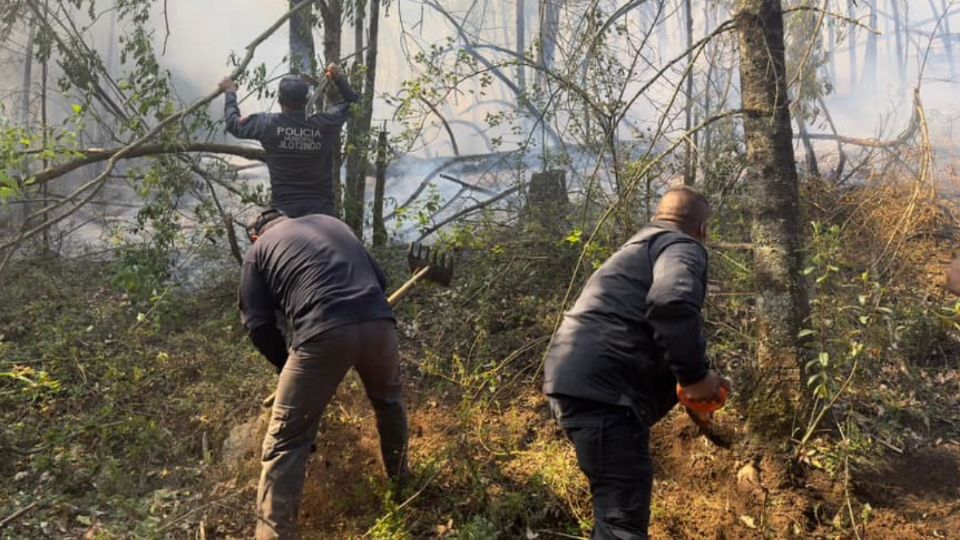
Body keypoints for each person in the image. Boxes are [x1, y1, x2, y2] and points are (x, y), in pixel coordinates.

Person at [543, 185, 732, 539]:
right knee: (621, 526)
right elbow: (670, 303)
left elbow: (643, 323)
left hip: (579, 382)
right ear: (702, 229)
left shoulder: (637, 248)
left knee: (617, 517)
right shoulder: (681, 246)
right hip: (604, 393)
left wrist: (682, 380)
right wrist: (694, 376)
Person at [239, 209, 409, 539]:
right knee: (389, 403)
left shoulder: (257, 252)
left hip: (322, 334)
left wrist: (284, 364)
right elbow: (381, 281)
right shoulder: (330, 223)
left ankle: (273, 535)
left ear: (255, 236)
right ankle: (402, 488)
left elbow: (259, 326)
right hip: (379, 323)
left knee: (286, 441)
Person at [220, 64, 360, 218]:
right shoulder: (325, 124)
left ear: (280, 101)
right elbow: (353, 103)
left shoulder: (267, 124)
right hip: (323, 210)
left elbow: (233, 125)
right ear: (307, 101)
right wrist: (338, 79)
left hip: (284, 212)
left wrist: (230, 92)